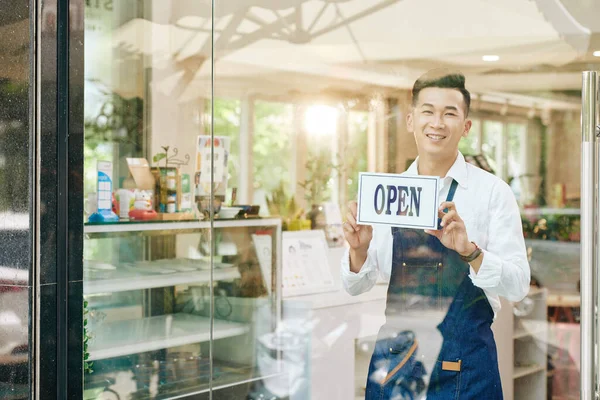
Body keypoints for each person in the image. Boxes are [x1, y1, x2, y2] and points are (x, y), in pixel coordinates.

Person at [341, 70, 530, 400]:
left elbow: (517, 285)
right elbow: (356, 285)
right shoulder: (389, 193)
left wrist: (470, 251)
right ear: (411, 120)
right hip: (397, 364)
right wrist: (358, 251)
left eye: (450, 113)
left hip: (466, 365)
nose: (437, 123)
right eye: (427, 111)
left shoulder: (491, 193)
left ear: (466, 126)